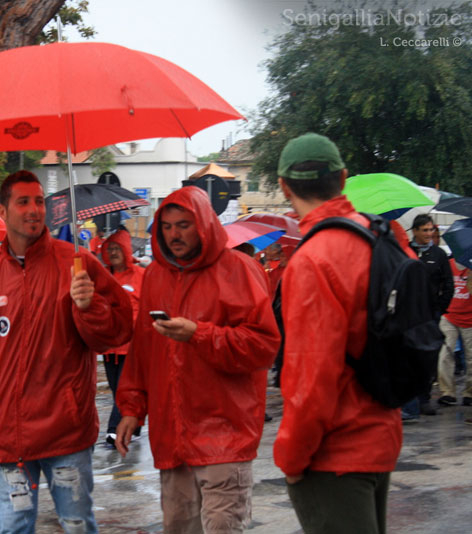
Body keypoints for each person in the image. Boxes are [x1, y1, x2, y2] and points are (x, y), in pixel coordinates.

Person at [0, 170, 133, 533]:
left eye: (39, 201)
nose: (34, 209)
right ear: (2, 212)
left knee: (77, 523)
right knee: (16, 526)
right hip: (8, 433)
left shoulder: (77, 263)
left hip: (66, 430)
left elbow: (117, 332)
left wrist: (90, 306)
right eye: (23, 202)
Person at [115, 186, 280, 534]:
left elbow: (263, 346)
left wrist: (200, 334)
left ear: (203, 224)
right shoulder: (157, 276)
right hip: (172, 439)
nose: (174, 234)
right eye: (168, 226)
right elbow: (143, 349)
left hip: (225, 436)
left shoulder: (240, 269)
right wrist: (132, 408)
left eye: (184, 225)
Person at [273, 133, 402, 534]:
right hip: (381, 436)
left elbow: (312, 379)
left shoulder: (313, 258)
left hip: (333, 454)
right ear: (344, 179)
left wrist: (292, 459)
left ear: (283, 186)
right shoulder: (383, 236)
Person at [403, 213, 453, 418]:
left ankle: (424, 399)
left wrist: (440, 309)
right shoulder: (405, 251)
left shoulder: (439, 255)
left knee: (428, 357)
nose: (429, 234)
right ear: (415, 231)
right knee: (408, 357)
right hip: (408, 314)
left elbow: (447, 284)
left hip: (430, 314)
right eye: (424, 230)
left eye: (431, 230)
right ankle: (410, 402)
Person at [100, 228, 144, 447]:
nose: (113, 252)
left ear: (126, 250)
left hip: (132, 346)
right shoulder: (104, 276)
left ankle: (114, 429)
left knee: (122, 389)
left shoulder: (140, 275)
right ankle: (134, 425)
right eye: (110, 249)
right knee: (115, 388)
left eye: (117, 248)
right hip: (109, 346)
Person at [436, 258, 472, 407]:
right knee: (444, 354)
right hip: (449, 315)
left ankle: (469, 393)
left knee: (471, 358)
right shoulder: (448, 264)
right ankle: (447, 392)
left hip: (470, 318)